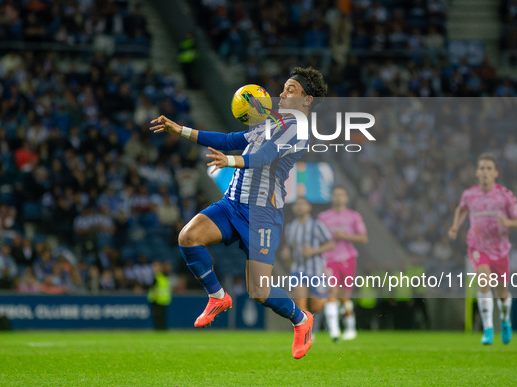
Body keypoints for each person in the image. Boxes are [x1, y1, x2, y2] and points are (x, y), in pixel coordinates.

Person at [150, 66, 328, 359]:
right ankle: (218, 297)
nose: (281, 94)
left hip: (262, 215)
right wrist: (179, 129)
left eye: (290, 90)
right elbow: (230, 140)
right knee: (188, 236)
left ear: (307, 100)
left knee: (259, 291)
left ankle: (301, 319)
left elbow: (263, 157)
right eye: (283, 88)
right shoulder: (273, 121)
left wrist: (231, 162)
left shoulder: (298, 128)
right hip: (232, 204)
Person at [448, 152, 517, 345]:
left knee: (502, 293)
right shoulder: (469, 194)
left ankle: (505, 321)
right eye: (481, 168)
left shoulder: (504, 195)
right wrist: (455, 226)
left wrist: (507, 221)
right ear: (476, 172)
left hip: (499, 249)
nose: (485, 172)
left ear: (496, 173)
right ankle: (488, 329)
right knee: (484, 281)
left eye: (489, 169)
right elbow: (462, 208)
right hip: (477, 245)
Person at [318, 186, 368, 342]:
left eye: (341, 194)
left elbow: (363, 238)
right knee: (331, 291)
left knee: (345, 296)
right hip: (329, 259)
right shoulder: (323, 217)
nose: (338, 197)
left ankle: (350, 327)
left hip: (347, 258)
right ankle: (334, 331)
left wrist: (345, 236)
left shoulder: (353, 216)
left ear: (346, 198)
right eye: (335, 195)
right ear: (332, 198)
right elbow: (317, 237)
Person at [284, 197, 335, 338]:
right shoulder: (290, 227)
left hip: (316, 270)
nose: (299, 207)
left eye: (302, 204)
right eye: (297, 205)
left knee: (317, 305)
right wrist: (287, 252)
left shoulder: (317, 225)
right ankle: (306, 333)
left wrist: (313, 251)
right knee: (300, 302)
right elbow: (289, 247)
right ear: (294, 208)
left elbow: (331, 244)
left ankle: (314, 327)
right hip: (298, 269)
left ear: (309, 208)